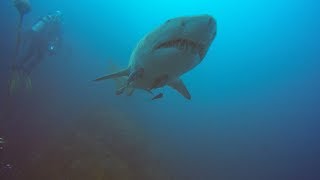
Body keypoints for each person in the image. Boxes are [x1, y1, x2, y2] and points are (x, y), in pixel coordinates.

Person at [9, 10, 63, 94]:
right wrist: (52, 49)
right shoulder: (57, 25)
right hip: (43, 42)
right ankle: (26, 71)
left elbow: (34, 28)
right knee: (39, 57)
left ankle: (17, 67)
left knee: (29, 54)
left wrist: (26, 34)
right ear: (60, 18)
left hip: (35, 38)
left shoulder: (47, 18)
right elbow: (58, 39)